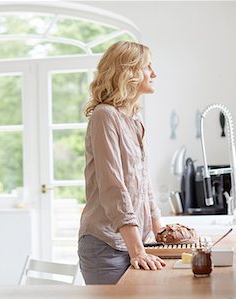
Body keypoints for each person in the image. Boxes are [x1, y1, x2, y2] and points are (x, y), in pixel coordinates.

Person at [78, 41, 166, 285]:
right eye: (147, 66)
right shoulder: (104, 116)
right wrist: (137, 250)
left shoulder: (134, 120)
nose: (153, 73)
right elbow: (112, 187)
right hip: (106, 245)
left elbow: (143, 182)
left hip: (135, 242)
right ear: (128, 72)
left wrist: (160, 231)